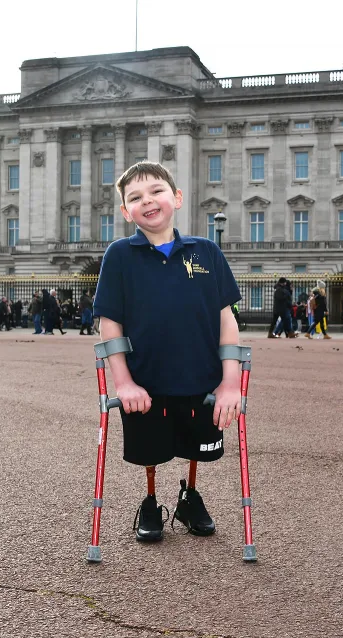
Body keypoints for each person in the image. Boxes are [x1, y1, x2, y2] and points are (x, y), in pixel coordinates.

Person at [94, 161, 242, 543]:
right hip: (146, 380)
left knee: (198, 444)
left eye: (157, 191)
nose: (148, 201)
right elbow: (110, 324)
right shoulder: (119, 255)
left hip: (200, 374)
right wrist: (123, 383)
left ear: (176, 197)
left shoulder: (207, 251)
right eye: (135, 198)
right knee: (150, 451)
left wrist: (230, 384)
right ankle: (150, 500)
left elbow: (227, 320)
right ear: (126, 212)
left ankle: (190, 497)